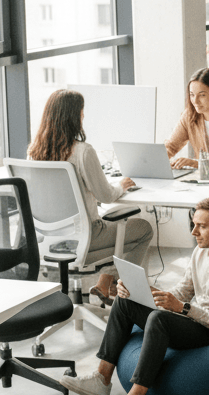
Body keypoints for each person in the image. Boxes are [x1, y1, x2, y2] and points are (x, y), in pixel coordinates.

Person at [61, 195, 209, 395]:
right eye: (193, 224)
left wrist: (183, 308)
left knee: (158, 320)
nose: (193, 232)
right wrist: (147, 292)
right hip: (192, 317)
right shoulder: (201, 252)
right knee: (125, 302)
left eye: (201, 226)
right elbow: (183, 291)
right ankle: (102, 379)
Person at [28, 88, 153, 306]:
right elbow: (106, 195)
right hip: (86, 238)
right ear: (73, 117)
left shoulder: (32, 153)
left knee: (115, 228)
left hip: (50, 242)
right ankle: (117, 287)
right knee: (143, 229)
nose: (83, 116)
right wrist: (121, 186)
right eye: (81, 112)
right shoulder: (83, 151)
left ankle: (106, 281)